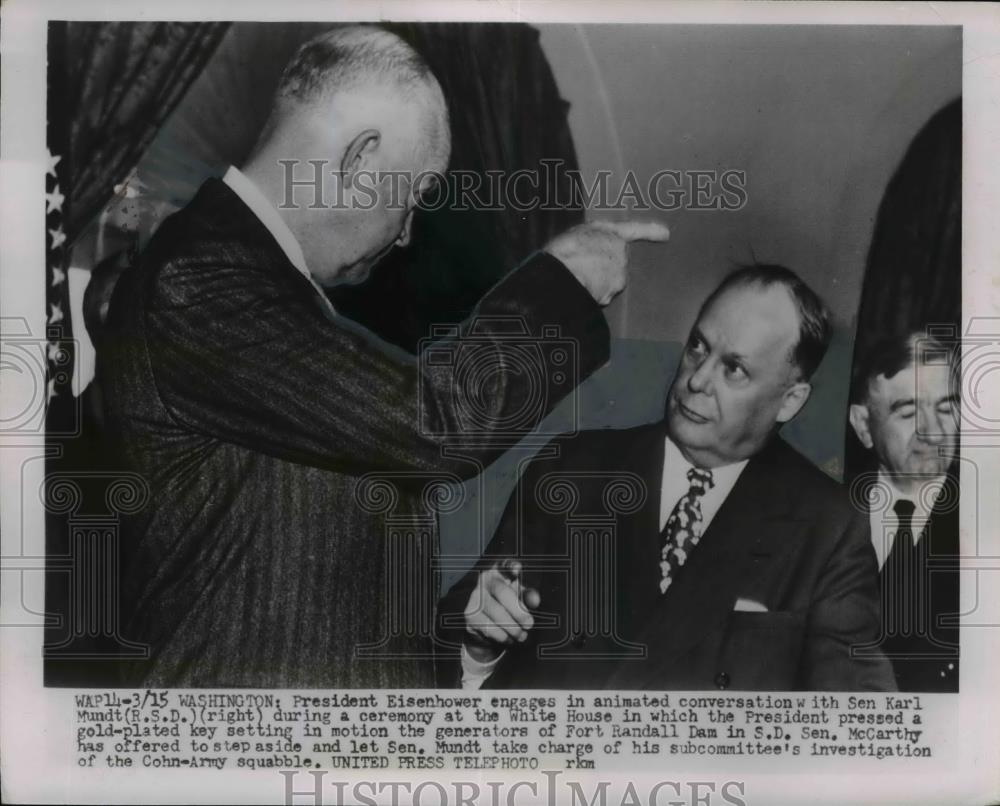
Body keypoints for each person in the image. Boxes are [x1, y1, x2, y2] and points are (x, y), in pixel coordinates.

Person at [100, 25, 668, 687]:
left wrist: (462, 647)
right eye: (417, 196)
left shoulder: (264, 291)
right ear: (361, 158)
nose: (405, 236)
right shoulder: (201, 281)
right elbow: (439, 422)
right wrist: (563, 281)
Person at [439, 264, 897, 691]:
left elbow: (858, 721)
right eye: (698, 346)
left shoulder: (829, 528)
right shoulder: (572, 467)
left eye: (733, 368)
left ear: (790, 401)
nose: (697, 379)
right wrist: (479, 645)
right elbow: (445, 647)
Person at [847, 331, 960, 692]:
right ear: (863, 426)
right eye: (909, 412)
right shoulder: (821, 517)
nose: (933, 432)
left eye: (946, 408)